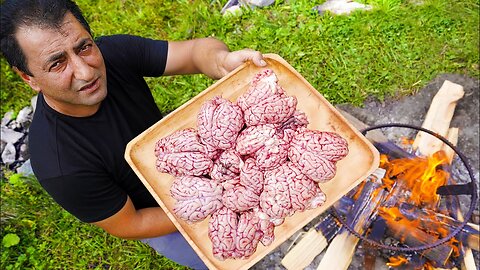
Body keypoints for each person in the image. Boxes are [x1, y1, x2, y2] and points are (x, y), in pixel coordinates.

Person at [0, 0, 266, 268]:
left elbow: (196, 51)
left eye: (84, 46)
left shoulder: (113, 53)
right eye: (57, 64)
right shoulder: (60, 165)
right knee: (225, 260)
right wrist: (216, 203)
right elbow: (130, 223)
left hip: (198, 165)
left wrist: (222, 61)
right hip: (164, 218)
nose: (85, 71)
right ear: (28, 78)